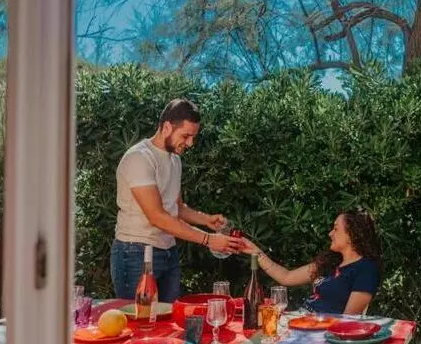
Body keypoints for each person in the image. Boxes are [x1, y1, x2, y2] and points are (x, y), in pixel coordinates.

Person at [110, 98, 242, 302]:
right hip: (135, 252)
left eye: (193, 137)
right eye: (186, 136)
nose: (190, 143)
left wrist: (206, 219)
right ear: (167, 127)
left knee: (169, 322)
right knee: (140, 323)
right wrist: (208, 240)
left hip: (167, 252)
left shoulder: (174, 160)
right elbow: (158, 216)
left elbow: (176, 207)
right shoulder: (139, 158)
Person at [240, 209, 382, 315]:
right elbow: (287, 277)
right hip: (302, 322)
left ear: (352, 235)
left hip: (318, 334)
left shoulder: (366, 269)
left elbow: (348, 320)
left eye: (336, 229)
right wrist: (254, 251)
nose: (330, 233)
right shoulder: (332, 262)